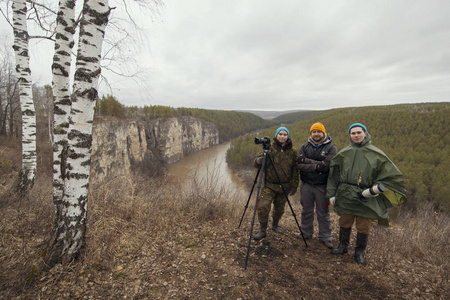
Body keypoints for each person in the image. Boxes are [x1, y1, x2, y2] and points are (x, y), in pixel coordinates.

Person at [326, 123, 406, 264]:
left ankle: (359, 252)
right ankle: (343, 246)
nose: (356, 135)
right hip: (345, 194)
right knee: (345, 221)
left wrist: (375, 189)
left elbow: (388, 174)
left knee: (363, 225)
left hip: (365, 195)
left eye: (359, 132)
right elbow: (334, 175)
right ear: (350, 135)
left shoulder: (376, 154)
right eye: (353, 133)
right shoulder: (344, 153)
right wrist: (332, 194)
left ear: (365, 133)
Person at [253, 127, 299, 240]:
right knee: (263, 206)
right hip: (269, 185)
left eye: (284, 134)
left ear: (287, 136)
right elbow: (256, 163)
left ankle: (275, 225)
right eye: (280, 134)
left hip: (285, 186)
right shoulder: (269, 149)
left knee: (279, 209)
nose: (282, 136)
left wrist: (294, 185)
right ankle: (263, 230)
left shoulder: (292, 152)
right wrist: (260, 159)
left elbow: (295, 169)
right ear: (276, 135)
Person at [297, 122, 337, 249]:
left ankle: (325, 237)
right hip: (306, 184)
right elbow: (299, 164)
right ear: (311, 133)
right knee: (306, 210)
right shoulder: (304, 146)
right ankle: (306, 232)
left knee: (323, 212)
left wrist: (309, 164)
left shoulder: (331, 148)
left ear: (323, 133)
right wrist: (318, 165)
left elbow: (327, 166)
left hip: (322, 185)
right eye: (314, 132)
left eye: (319, 132)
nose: (316, 134)